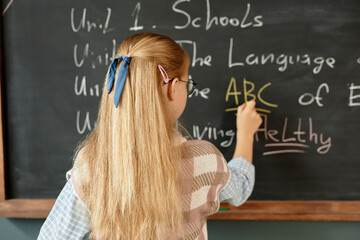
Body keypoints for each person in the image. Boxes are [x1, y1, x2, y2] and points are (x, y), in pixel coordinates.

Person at [38, 32, 262, 240]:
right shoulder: (204, 160)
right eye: (187, 83)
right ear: (172, 88)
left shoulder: (92, 165)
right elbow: (240, 188)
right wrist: (245, 134)